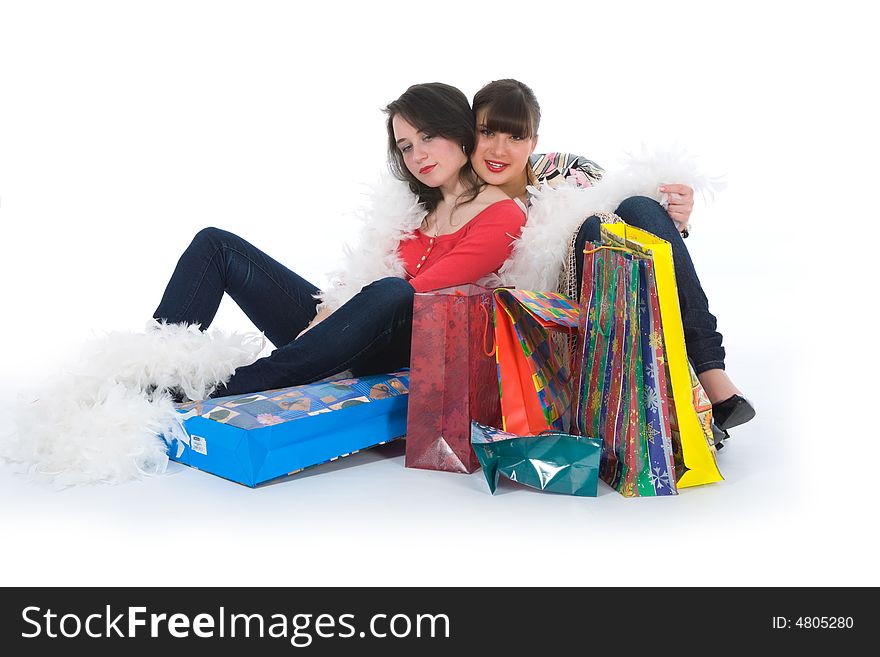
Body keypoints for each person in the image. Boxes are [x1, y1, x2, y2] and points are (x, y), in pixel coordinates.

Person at [153, 83, 525, 398]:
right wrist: (324, 318)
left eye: (428, 136)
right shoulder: (409, 208)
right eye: (406, 146)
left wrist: (328, 325)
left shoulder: (503, 215)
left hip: (412, 349)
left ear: (459, 131)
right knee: (217, 245)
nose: (418, 155)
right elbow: (359, 279)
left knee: (395, 291)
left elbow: (422, 292)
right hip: (340, 339)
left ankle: (232, 384)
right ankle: (152, 372)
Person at [469, 79, 755, 434]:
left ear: (533, 142)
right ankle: (651, 396)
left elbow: (633, 224)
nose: (499, 149)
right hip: (548, 328)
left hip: (620, 292)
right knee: (592, 230)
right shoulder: (461, 196)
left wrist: (674, 217)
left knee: (637, 205)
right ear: (470, 134)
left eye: (515, 137)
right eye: (487, 133)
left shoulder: (566, 170)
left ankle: (709, 369)